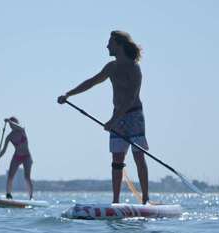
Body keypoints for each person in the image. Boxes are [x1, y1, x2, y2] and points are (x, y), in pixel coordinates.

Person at [58, 30, 150, 204]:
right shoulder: (111, 67)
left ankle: (145, 199)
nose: (107, 46)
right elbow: (91, 82)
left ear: (119, 45)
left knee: (139, 156)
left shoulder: (134, 68)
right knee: (117, 159)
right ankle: (115, 202)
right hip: (117, 118)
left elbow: (131, 98)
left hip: (134, 117)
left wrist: (113, 121)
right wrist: (68, 94)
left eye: (110, 43)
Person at [0, 117, 34, 200]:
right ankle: (8, 194)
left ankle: (31, 197)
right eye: (10, 125)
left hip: (27, 157)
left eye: (13, 124)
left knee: (27, 177)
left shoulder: (22, 130)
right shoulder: (9, 136)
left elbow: (17, 126)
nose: (11, 126)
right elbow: (3, 150)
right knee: (10, 176)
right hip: (17, 157)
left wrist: (10, 121)